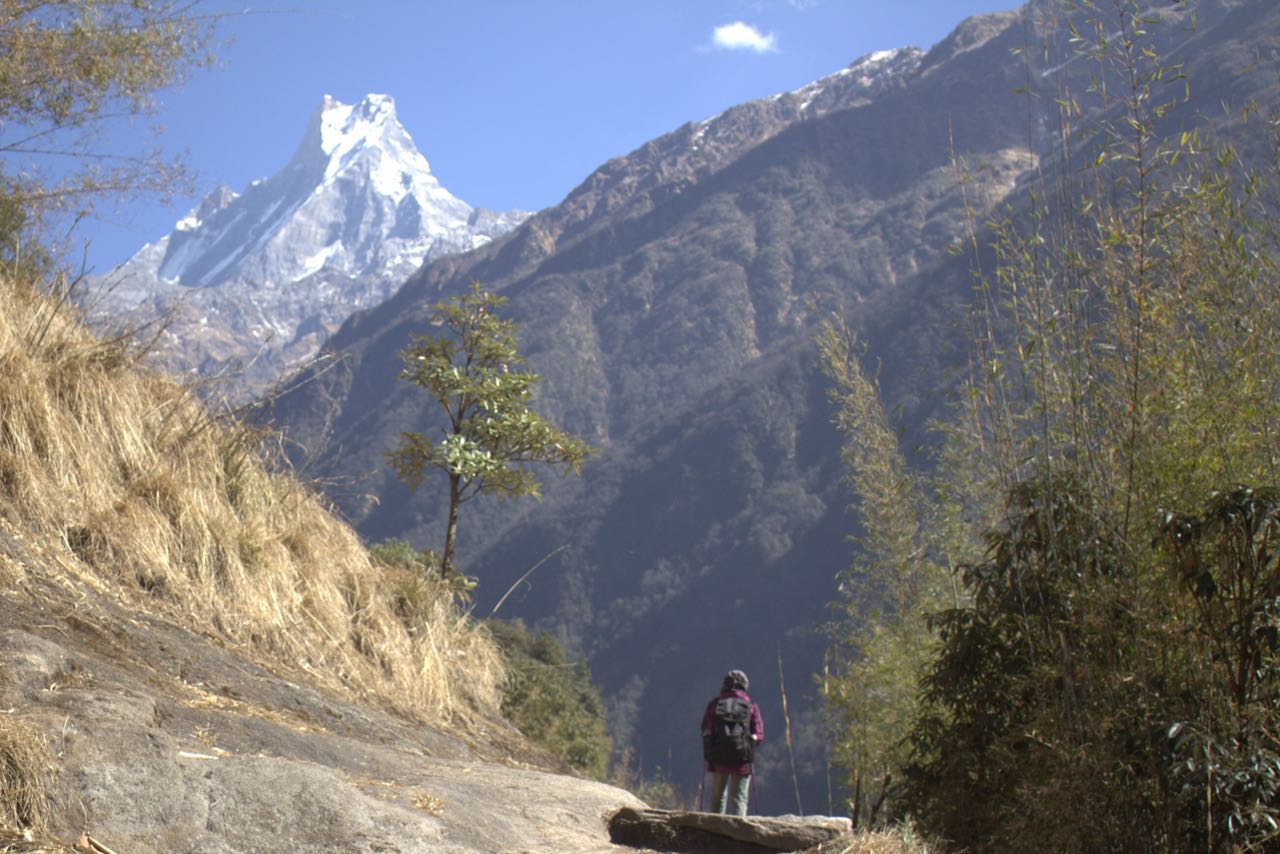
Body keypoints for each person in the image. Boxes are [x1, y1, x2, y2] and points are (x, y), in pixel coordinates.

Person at [701, 669, 764, 816]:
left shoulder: (715, 705)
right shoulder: (751, 707)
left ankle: (714, 831)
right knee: (739, 799)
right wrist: (750, 744)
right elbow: (759, 734)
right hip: (742, 760)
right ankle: (738, 831)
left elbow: (705, 729)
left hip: (718, 759)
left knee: (717, 798)